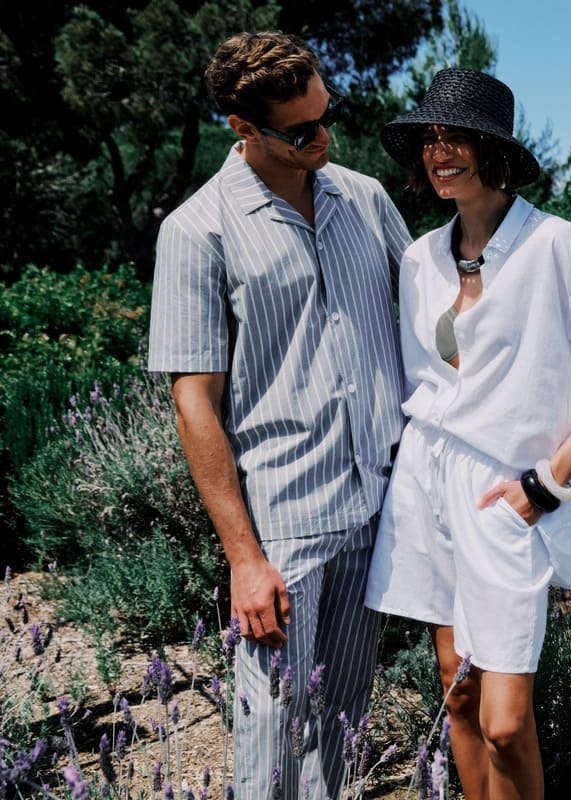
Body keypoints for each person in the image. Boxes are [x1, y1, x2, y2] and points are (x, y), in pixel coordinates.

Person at [364, 68, 571, 800]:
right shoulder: (418, 258)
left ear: (493, 150)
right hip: (427, 481)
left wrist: (546, 484)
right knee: (458, 693)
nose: (439, 153)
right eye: (429, 140)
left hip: (508, 494)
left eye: (456, 138)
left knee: (505, 721)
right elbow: (422, 383)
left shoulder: (554, 244)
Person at [147, 31, 411, 799]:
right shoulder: (196, 230)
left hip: (380, 506)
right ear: (244, 128)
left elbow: (437, 313)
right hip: (283, 527)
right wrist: (244, 560)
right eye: (301, 131)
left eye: (329, 114)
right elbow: (194, 403)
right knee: (273, 744)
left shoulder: (365, 199)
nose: (324, 137)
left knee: (344, 729)